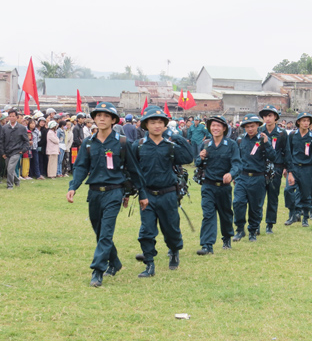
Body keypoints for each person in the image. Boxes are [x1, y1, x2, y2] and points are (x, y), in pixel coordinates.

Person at [67, 102, 148, 287]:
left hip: (114, 192)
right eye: (98, 115)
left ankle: (98, 270)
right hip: (94, 193)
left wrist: (142, 194)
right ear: (94, 119)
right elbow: (80, 167)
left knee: (106, 232)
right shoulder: (88, 143)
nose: (101, 119)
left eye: (106, 116)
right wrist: (73, 187)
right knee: (99, 231)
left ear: (113, 120)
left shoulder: (122, 142)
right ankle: (115, 262)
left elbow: (135, 171)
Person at [132, 106, 193, 276]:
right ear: (146, 125)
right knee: (146, 231)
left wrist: (177, 137)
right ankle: (149, 264)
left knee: (171, 229)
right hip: (147, 195)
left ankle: (174, 250)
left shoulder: (170, 146)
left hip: (168, 194)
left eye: (160, 122)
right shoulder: (138, 146)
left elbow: (189, 157)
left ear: (165, 125)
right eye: (153, 122)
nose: (157, 125)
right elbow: (131, 169)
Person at [195, 115, 241, 255]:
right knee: (208, 214)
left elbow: (237, 164)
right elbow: (198, 163)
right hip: (208, 185)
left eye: (218, 126)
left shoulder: (231, 145)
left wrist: (231, 174)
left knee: (225, 214)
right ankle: (207, 245)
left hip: (224, 187)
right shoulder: (206, 144)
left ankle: (227, 237)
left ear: (224, 128)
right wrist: (200, 158)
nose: (215, 128)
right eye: (213, 126)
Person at [233, 114, 277, 242]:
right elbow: (236, 158)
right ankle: (240, 229)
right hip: (242, 177)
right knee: (238, 203)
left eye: (252, 126)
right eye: (247, 127)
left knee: (255, 207)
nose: (250, 129)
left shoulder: (264, 139)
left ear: (258, 125)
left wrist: (267, 144)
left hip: (258, 178)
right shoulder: (240, 139)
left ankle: (253, 230)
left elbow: (273, 157)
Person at [283, 112, 312, 227]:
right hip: (294, 168)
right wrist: (287, 168)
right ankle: (292, 214)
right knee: (288, 190)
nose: (306, 123)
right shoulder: (292, 135)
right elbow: (288, 153)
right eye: (303, 120)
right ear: (298, 122)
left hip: (307, 168)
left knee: (306, 193)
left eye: (308, 121)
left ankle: (305, 217)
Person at [258, 105, 291, 234]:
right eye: (265, 116)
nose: (267, 118)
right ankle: (256, 223)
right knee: (258, 198)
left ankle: (270, 224)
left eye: (270, 116)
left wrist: (287, 168)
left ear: (276, 118)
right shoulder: (259, 131)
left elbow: (286, 151)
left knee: (273, 197)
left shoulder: (282, 133)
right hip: (260, 168)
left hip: (276, 167)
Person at [0, 109, 29, 189]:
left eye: (13, 116)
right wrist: (2, 152)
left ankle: (10, 185)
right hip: (6, 152)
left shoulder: (21, 128)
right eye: (10, 116)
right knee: (10, 169)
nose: (12, 118)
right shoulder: (4, 128)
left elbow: (26, 141)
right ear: (8, 117)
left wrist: (23, 150)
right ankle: (16, 181)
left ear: (17, 117)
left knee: (10, 169)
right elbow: (1, 141)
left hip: (16, 152)